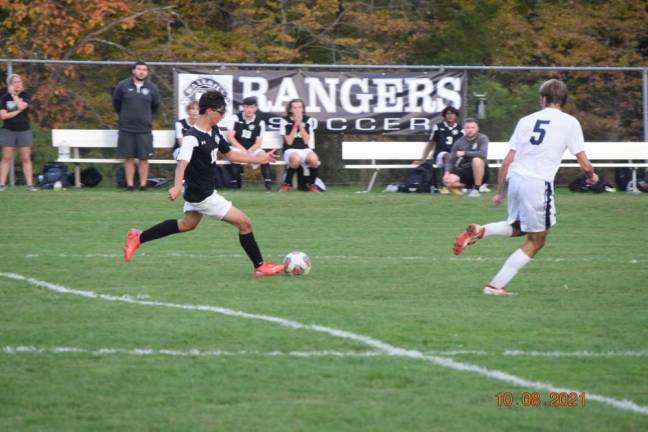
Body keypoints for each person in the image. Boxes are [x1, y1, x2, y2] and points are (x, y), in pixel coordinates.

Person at [452, 79, 598, 296]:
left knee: (520, 227)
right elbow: (584, 163)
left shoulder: (526, 121)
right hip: (537, 183)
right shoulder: (570, 123)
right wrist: (592, 176)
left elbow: (507, 160)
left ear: (543, 99)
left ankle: (482, 230)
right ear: (563, 100)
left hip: (516, 178)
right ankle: (494, 286)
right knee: (537, 240)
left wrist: (500, 191)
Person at [123, 91, 285, 277]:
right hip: (203, 195)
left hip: (197, 190)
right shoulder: (192, 137)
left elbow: (231, 155)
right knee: (245, 223)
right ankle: (260, 266)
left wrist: (260, 158)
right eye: (221, 111)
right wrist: (177, 186)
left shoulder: (214, 131)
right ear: (209, 111)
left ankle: (139, 236)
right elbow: (182, 163)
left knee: (186, 225)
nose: (223, 115)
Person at [112, 61, 161, 191]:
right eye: (139, 69)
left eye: (144, 70)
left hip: (144, 129)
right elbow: (116, 104)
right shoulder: (123, 86)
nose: (141, 72)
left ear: (147, 72)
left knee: (144, 158)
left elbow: (156, 107)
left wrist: (145, 118)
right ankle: (130, 185)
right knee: (129, 158)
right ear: (133, 71)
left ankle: (143, 185)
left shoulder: (152, 88)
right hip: (126, 129)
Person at [225, 97, 273, 191]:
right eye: (247, 107)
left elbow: (258, 142)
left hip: (252, 149)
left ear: (255, 108)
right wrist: (242, 150)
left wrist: (250, 150)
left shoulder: (260, 122)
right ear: (243, 107)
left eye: (251, 107)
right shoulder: (236, 118)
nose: (249, 110)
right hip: (237, 147)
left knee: (264, 156)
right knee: (235, 155)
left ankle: (268, 187)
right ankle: (235, 186)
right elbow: (230, 137)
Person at [414, 106, 463, 193]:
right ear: (444, 115)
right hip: (440, 155)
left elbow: (464, 145)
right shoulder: (438, 127)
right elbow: (431, 143)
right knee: (448, 156)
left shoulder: (461, 129)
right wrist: (423, 159)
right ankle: (445, 186)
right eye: (448, 113)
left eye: (452, 113)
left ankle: (455, 186)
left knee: (457, 158)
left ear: (456, 116)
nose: (450, 116)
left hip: (454, 155)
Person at [0, 74, 36, 192]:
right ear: (10, 84)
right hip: (8, 130)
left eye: (19, 81)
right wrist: (17, 111)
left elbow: (22, 105)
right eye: (15, 82)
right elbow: (3, 116)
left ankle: (29, 185)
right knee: (6, 157)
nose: (18, 84)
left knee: (25, 158)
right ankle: (1, 184)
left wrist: (14, 96)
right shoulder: (4, 98)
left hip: (24, 130)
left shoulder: (25, 95)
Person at [279, 98, 320, 192]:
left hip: (305, 149)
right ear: (290, 110)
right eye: (294, 108)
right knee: (296, 159)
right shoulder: (284, 120)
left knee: (314, 159)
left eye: (299, 108)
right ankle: (286, 184)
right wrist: (295, 125)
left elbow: (306, 141)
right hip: (290, 150)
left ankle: (312, 185)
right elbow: (289, 141)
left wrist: (300, 125)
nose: (297, 110)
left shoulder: (308, 120)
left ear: (303, 109)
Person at [442, 118, 489, 197]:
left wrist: (464, 153)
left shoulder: (482, 138)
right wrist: (446, 172)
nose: (470, 130)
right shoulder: (459, 141)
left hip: (481, 169)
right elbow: (451, 159)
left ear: (477, 128)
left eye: (473, 127)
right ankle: (469, 187)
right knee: (446, 181)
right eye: (468, 127)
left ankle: (476, 189)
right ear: (464, 129)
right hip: (465, 169)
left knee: (476, 160)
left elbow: (483, 154)